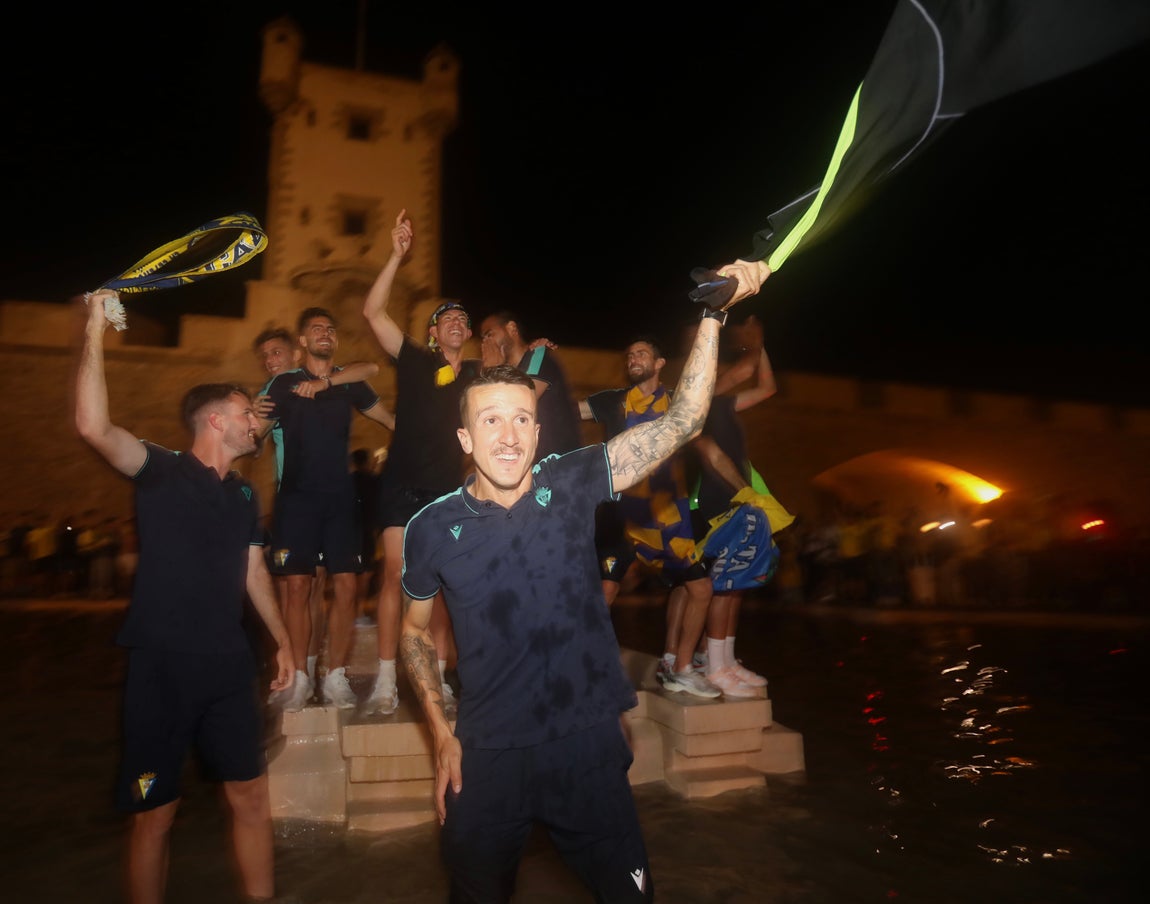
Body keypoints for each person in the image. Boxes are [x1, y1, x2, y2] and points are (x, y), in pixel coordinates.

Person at [397, 263, 756, 900]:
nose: (507, 437)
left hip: (585, 747)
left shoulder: (572, 480)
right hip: (487, 753)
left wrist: (713, 315)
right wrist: (442, 733)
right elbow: (415, 633)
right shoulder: (430, 527)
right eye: (489, 421)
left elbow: (683, 422)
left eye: (520, 420)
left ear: (538, 432)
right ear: (463, 436)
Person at [75, 289, 295, 904]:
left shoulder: (246, 497)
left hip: (228, 666)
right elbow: (93, 426)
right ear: (216, 419)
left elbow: (253, 572)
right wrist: (94, 325)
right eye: (247, 410)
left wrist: (280, 640)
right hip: (162, 666)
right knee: (156, 813)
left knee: (250, 796)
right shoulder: (160, 470)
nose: (257, 419)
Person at [361, 209, 479, 717]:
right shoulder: (414, 359)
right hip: (404, 484)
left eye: (463, 319)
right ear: (433, 332)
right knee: (393, 576)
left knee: (446, 585)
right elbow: (372, 313)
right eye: (446, 318)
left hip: (448, 491)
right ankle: (387, 679)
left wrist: (532, 349)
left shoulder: (477, 374)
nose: (456, 322)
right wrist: (396, 255)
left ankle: (438, 678)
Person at [262, 308, 394, 712]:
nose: (325, 333)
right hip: (297, 499)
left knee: (349, 587)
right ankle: (300, 678)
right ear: (302, 341)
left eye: (330, 329)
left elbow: (383, 403)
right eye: (316, 329)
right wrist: (250, 422)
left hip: (340, 499)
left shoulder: (346, 381)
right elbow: (258, 428)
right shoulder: (284, 383)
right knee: (299, 587)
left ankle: (335, 677)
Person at [579, 335, 720, 698]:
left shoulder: (677, 402)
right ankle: (578, 670)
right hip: (621, 516)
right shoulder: (612, 402)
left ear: (659, 364)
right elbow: (565, 411)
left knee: (701, 589)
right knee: (603, 594)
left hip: (667, 517)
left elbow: (705, 405)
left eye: (642, 353)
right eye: (629, 354)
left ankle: (681, 668)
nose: (633, 358)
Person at [478, 310, 583, 461]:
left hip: (563, 468)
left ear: (511, 328)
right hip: (534, 471)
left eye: (490, 334)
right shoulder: (511, 373)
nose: (486, 343)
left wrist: (494, 370)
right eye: (483, 339)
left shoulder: (538, 356)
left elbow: (515, 403)